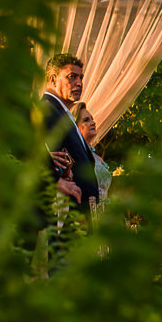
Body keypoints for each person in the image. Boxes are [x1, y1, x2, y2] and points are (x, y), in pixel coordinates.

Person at [41, 54, 98, 212]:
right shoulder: (46, 111)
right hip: (65, 213)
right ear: (53, 80)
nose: (79, 83)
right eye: (72, 77)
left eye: (81, 77)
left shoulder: (63, 113)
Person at [73, 102, 111, 201]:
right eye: (86, 120)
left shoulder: (97, 157)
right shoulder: (73, 156)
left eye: (92, 119)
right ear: (75, 126)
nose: (93, 122)